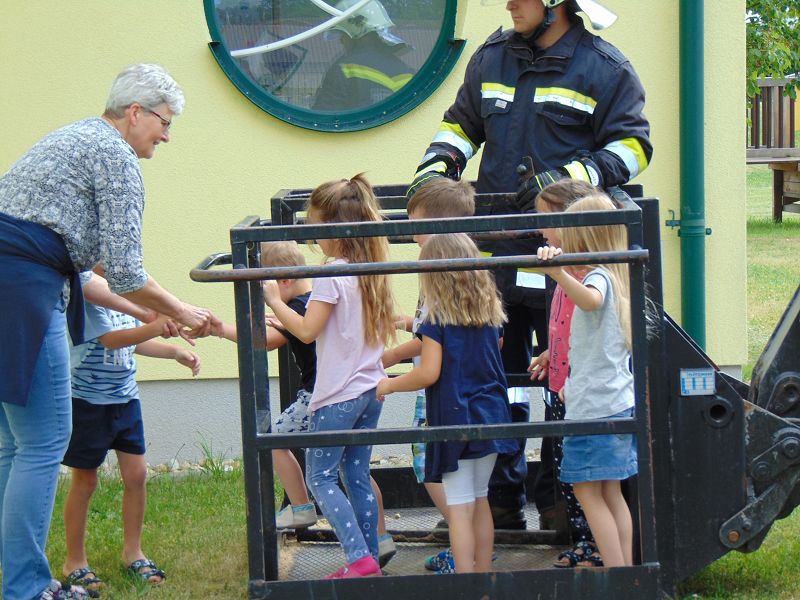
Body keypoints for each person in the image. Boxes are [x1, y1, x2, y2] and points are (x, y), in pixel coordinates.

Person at [407, 0, 652, 531]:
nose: (509, 4)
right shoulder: (490, 58)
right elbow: (461, 126)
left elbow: (634, 147)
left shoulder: (604, 69)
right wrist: (433, 169)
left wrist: (569, 176)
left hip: (562, 261)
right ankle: (500, 501)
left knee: (566, 379)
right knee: (497, 380)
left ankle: (560, 502)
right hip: (498, 255)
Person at [0, 63, 219, 600]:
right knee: (45, 442)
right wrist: (183, 310)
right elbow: (123, 271)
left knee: (11, 444)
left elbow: (87, 275)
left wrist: (159, 311)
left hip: (14, 279)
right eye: (164, 122)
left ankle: (16, 577)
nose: (166, 135)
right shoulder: (115, 154)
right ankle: (27, 588)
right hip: (25, 290)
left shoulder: (71, 138)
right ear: (136, 112)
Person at [214, 241, 396, 566]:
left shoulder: (300, 305)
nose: (264, 297)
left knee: (275, 440)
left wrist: (219, 330)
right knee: (356, 471)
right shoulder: (316, 296)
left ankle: (302, 509)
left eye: (265, 287)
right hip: (359, 389)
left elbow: (265, 340)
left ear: (282, 280)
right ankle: (378, 540)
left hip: (322, 395)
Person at [262, 175, 396, 579]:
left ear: (334, 227)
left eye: (316, 225)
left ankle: (358, 559)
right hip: (371, 388)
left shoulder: (331, 273)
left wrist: (272, 300)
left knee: (320, 477)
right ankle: (370, 554)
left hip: (338, 393)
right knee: (354, 474)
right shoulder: (369, 266)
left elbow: (306, 330)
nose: (314, 235)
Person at [377, 233, 516, 574]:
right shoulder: (489, 314)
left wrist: (390, 384)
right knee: (480, 500)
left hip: (456, 417)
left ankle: (464, 584)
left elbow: (428, 373)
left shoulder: (436, 320)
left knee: (459, 508)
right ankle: (483, 580)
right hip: (492, 414)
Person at [61, 267, 201, 592]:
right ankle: (75, 560)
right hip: (87, 403)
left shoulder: (127, 293)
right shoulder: (88, 293)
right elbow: (111, 340)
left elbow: (136, 343)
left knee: (136, 476)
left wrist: (173, 351)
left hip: (125, 400)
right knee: (85, 480)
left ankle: (132, 551)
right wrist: (155, 326)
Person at [535, 192, 638, 568]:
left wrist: (558, 273)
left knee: (586, 491)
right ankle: (626, 574)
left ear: (586, 236)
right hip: (612, 399)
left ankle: (616, 575)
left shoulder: (598, 277)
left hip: (595, 408)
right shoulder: (617, 274)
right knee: (611, 493)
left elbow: (591, 301)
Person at [382, 177, 477, 572]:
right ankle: (468, 551)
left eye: (416, 224)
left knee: (433, 468)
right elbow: (428, 331)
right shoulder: (459, 271)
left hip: (439, 390)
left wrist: (387, 364)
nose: (412, 234)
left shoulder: (437, 273)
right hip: (461, 389)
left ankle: (462, 550)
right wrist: (403, 327)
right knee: (458, 479)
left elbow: (431, 340)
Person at [528, 178, 604, 567]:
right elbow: (565, 326)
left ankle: (595, 543)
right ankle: (582, 538)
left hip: (579, 393)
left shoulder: (585, 272)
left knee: (585, 475)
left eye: (546, 219)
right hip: (560, 388)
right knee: (568, 471)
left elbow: (594, 332)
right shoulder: (563, 267)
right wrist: (547, 351)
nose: (541, 228)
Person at [312, 0, 414, 112]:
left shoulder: (344, 69)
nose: (341, 40)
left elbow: (324, 119)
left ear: (355, 30)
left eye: (343, 33)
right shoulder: (405, 72)